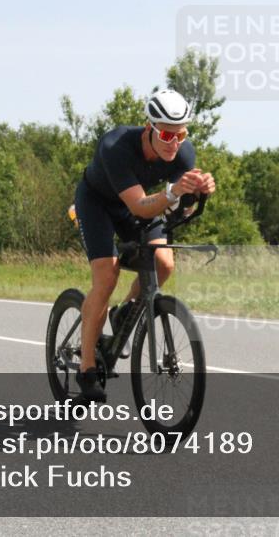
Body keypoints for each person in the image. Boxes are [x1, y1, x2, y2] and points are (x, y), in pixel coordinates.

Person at [72, 89, 216, 401]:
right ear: (148, 127)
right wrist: (175, 192)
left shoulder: (182, 152)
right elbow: (140, 205)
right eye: (166, 134)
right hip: (98, 205)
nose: (174, 143)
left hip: (140, 207)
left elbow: (180, 207)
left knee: (164, 263)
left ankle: (124, 312)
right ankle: (86, 368)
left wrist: (197, 195)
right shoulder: (116, 146)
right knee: (107, 276)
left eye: (181, 134)